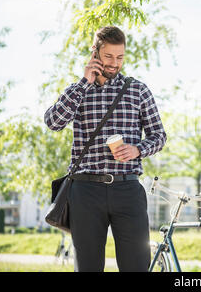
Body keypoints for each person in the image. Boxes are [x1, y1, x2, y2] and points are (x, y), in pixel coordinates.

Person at [44, 26, 167, 272]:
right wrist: (83, 83)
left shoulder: (138, 90)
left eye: (120, 57)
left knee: (137, 267)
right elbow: (53, 122)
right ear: (95, 53)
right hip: (85, 191)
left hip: (127, 188)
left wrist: (138, 149)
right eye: (109, 56)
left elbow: (159, 135)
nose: (114, 63)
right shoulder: (78, 91)